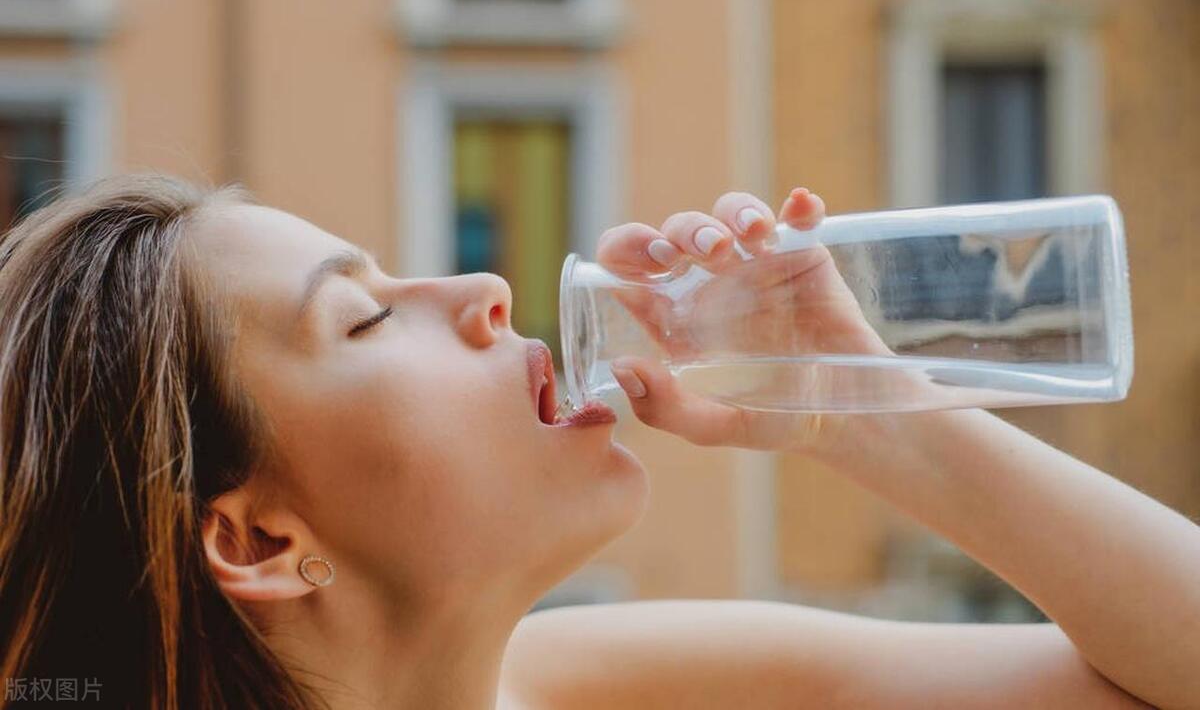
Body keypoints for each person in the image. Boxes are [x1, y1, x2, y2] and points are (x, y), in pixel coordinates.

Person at [0, 174, 1194, 710]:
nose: (477, 286)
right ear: (258, 536)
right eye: (363, 317)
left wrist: (863, 414)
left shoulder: (594, 685)